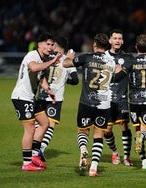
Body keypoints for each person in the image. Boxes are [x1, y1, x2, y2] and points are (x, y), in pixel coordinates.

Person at [63, 33, 116, 176]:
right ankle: (93, 167)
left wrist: (70, 57)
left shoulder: (87, 58)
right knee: (99, 135)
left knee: (83, 131)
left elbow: (65, 64)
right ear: (107, 46)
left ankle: (83, 150)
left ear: (94, 44)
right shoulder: (111, 62)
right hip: (103, 105)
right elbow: (114, 77)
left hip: (86, 102)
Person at [11, 32, 62, 171]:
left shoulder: (42, 58)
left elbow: (40, 77)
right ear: (39, 44)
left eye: (52, 45)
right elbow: (33, 68)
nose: (50, 47)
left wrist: (48, 90)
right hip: (21, 97)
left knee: (45, 123)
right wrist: (52, 61)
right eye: (48, 44)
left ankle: (34, 155)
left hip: (30, 98)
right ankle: (27, 163)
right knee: (30, 129)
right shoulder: (32, 55)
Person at [115, 34, 146, 169]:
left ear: (136, 47)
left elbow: (118, 78)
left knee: (137, 132)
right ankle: (143, 156)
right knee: (144, 132)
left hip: (134, 101)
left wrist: (118, 71)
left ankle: (144, 160)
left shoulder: (131, 62)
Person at [36, 36, 79, 161]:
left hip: (42, 94)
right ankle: (41, 149)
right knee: (50, 125)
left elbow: (39, 74)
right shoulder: (67, 60)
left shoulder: (45, 58)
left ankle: (34, 148)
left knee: (39, 124)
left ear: (55, 46)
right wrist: (65, 81)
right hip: (56, 98)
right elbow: (75, 80)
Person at [104, 29, 133, 166]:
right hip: (106, 99)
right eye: (114, 38)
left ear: (122, 41)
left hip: (122, 98)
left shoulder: (128, 57)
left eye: (119, 38)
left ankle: (127, 156)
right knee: (107, 130)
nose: (117, 41)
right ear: (110, 40)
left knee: (124, 125)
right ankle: (115, 152)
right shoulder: (103, 57)